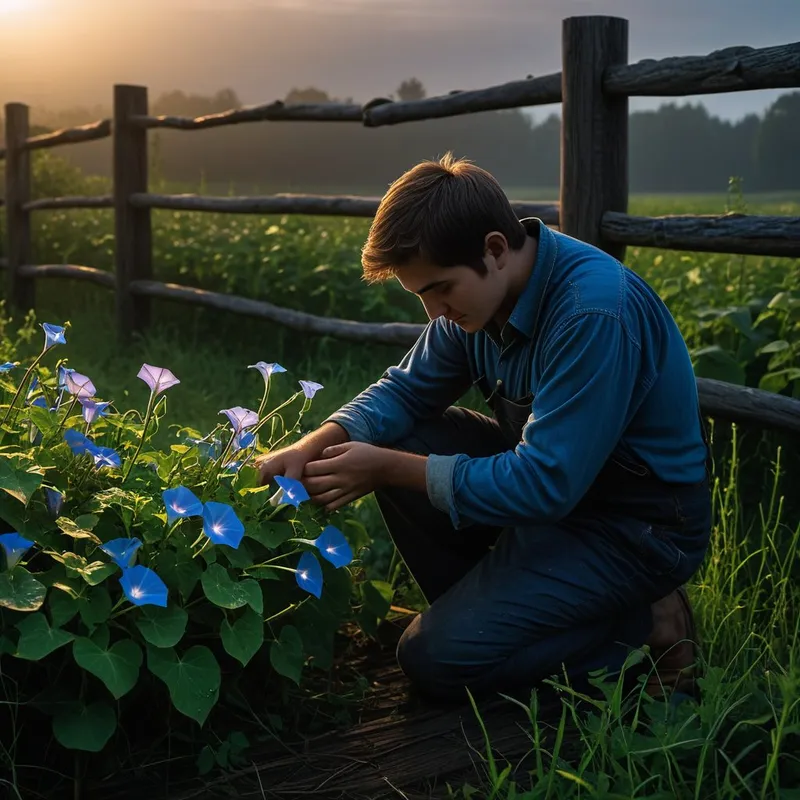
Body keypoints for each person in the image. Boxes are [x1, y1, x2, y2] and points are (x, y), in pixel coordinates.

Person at [256, 153, 712, 705]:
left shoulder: (591, 312)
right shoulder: (476, 302)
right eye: (421, 295)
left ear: (495, 249)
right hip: (564, 502)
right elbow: (405, 390)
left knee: (434, 661)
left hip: (636, 526)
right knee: (396, 437)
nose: (433, 313)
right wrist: (315, 443)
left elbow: (545, 484)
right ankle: (500, 618)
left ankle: (644, 630)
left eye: (440, 289)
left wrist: (385, 468)